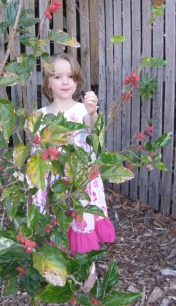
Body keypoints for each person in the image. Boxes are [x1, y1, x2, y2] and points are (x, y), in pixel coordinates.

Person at [36, 53, 116, 290]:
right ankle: (60, 267)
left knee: (82, 222)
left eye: (70, 76)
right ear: (47, 82)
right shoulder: (40, 116)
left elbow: (93, 133)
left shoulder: (81, 110)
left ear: (77, 81)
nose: (64, 82)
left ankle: (89, 270)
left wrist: (93, 112)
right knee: (58, 223)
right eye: (57, 76)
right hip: (55, 181)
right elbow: (35, 149)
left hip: (80, 180)